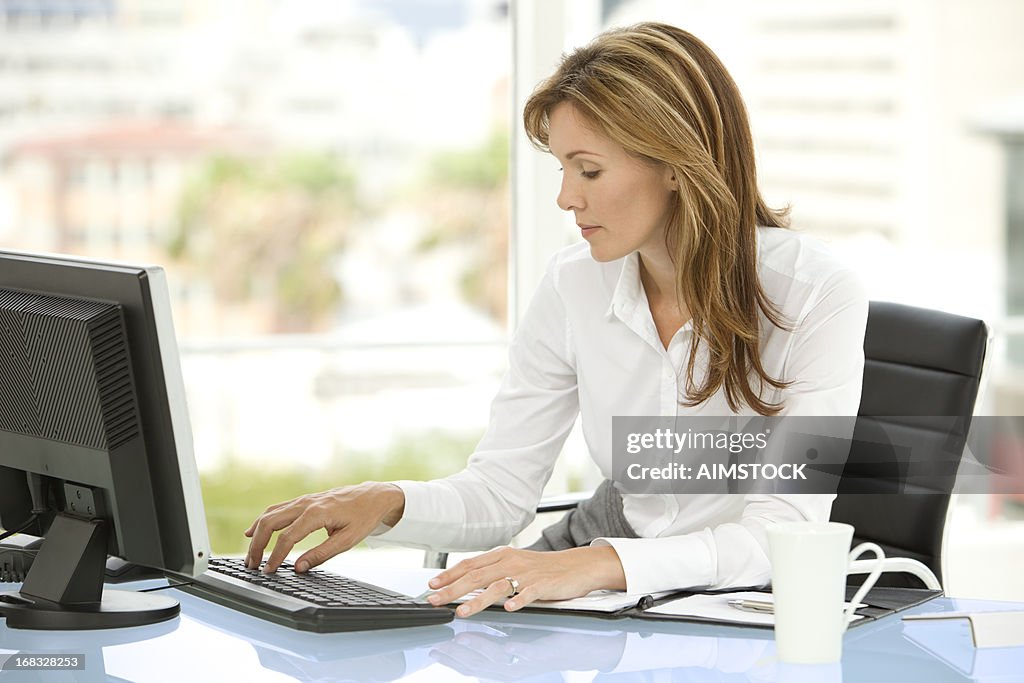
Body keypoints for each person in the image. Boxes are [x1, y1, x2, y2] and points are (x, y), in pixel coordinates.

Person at [243, 21, 868, 619]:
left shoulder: (815, 294)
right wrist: (389, 501)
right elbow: (501, 492)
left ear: (678, 164)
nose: (567, 197)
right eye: (563, 169)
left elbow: (781, 534)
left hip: (741, 603)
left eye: (589, 170)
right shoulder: (573, 284)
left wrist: (598, 563)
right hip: (613, 572)